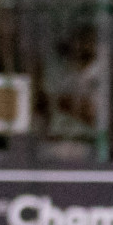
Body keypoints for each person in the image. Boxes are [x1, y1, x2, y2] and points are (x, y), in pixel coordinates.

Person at [38, 24, 105, 162]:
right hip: (55, 142)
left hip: (87, 143)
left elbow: (94, 115)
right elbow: (43, 103)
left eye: (88, 42)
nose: (82, 46)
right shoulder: (61, 70)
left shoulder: (101, 72)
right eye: (79, 41)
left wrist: (62, 102)